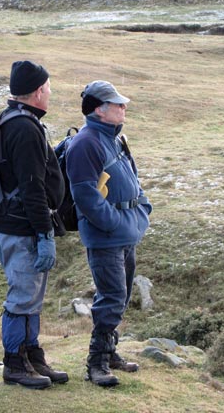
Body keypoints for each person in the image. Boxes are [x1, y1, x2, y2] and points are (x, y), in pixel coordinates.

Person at [66, 80, 152, 387]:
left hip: (124, 233)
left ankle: (110, 352)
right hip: (106, 236)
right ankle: (97, 363)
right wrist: (116, 223)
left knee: (122, 294)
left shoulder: (113, 138)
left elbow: (132, 179)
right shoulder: (86, 143)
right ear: (100, 110)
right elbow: (85, 196)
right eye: (118, 104)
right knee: (112, 296)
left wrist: (142, 209)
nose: (124, 107)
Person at [0, 60, 67, 389]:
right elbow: (32, 186)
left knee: (31, 296)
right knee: (22, 296)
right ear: (38, 91)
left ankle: (31, 356)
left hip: (20, 223)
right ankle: (14, 363)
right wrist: (43, 231)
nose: (50, 94)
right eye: (48, 89)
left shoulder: (18, 121)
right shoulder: (23, 127)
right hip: (21, 226)